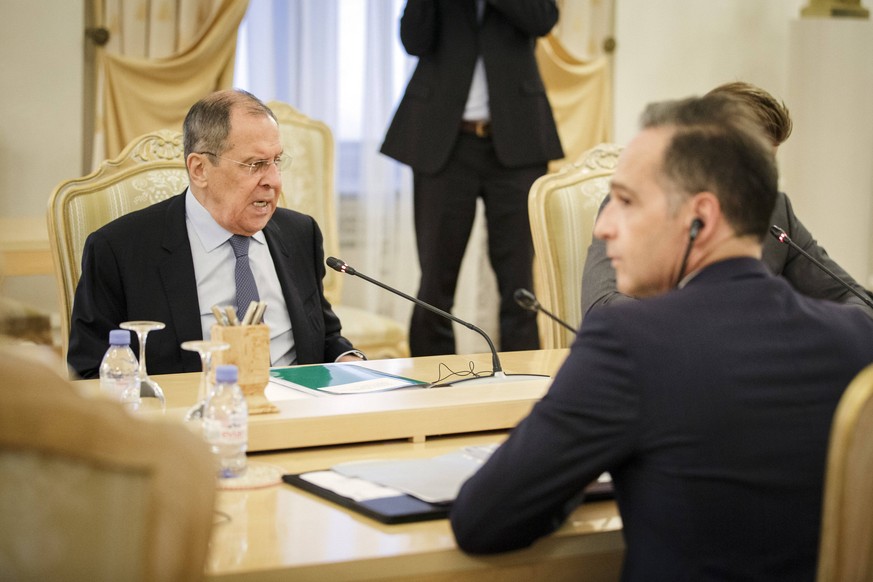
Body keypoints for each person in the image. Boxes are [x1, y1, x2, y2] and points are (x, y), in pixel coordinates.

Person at [450, 95, 873, 580]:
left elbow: (483, 519)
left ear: (702, 217)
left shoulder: (630, 344)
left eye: (626, 202)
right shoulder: (856, 340)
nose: (605, 226)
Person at [68, 89, 364, 379]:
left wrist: (351, 363)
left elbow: (325, 337)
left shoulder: (300, 234)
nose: (273, 181)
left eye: (276, 162)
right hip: (192, 419)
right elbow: (92, 371)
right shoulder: (119, 250)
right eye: (255, 165)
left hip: (299, 415)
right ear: (199, 169)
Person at [581, 81, 873, 319]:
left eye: (767, 166)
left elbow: (855, 299)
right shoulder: (636, 206)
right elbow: (602, 306)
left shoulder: (775, 210)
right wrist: (714, 324)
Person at [380, 0, 564, 356]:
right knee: (435, 282)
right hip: (444, 146)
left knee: (518, 283)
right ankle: (434, 388)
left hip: (516, 144)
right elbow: (413, 40)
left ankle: (522, 390)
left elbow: (542, 18)